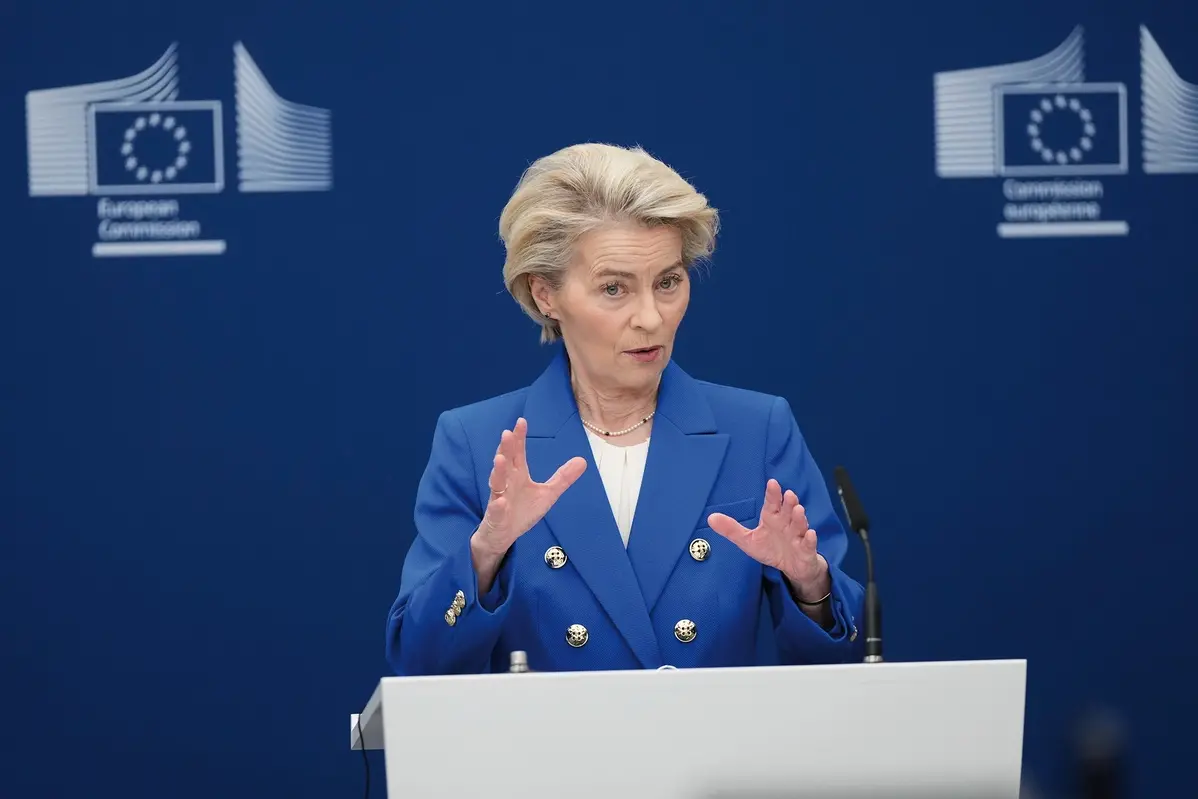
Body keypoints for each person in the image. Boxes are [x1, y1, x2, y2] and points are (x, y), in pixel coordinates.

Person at [385, 143, 865, 675]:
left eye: (668, 282)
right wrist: (486, 551)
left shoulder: (756, 431)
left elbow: (845, 664)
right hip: (553, 754)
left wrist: (810, 585)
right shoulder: (477, 444)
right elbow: (419, 664)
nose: (650, 317)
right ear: (546, 295)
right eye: (614, 288)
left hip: (710, 754)